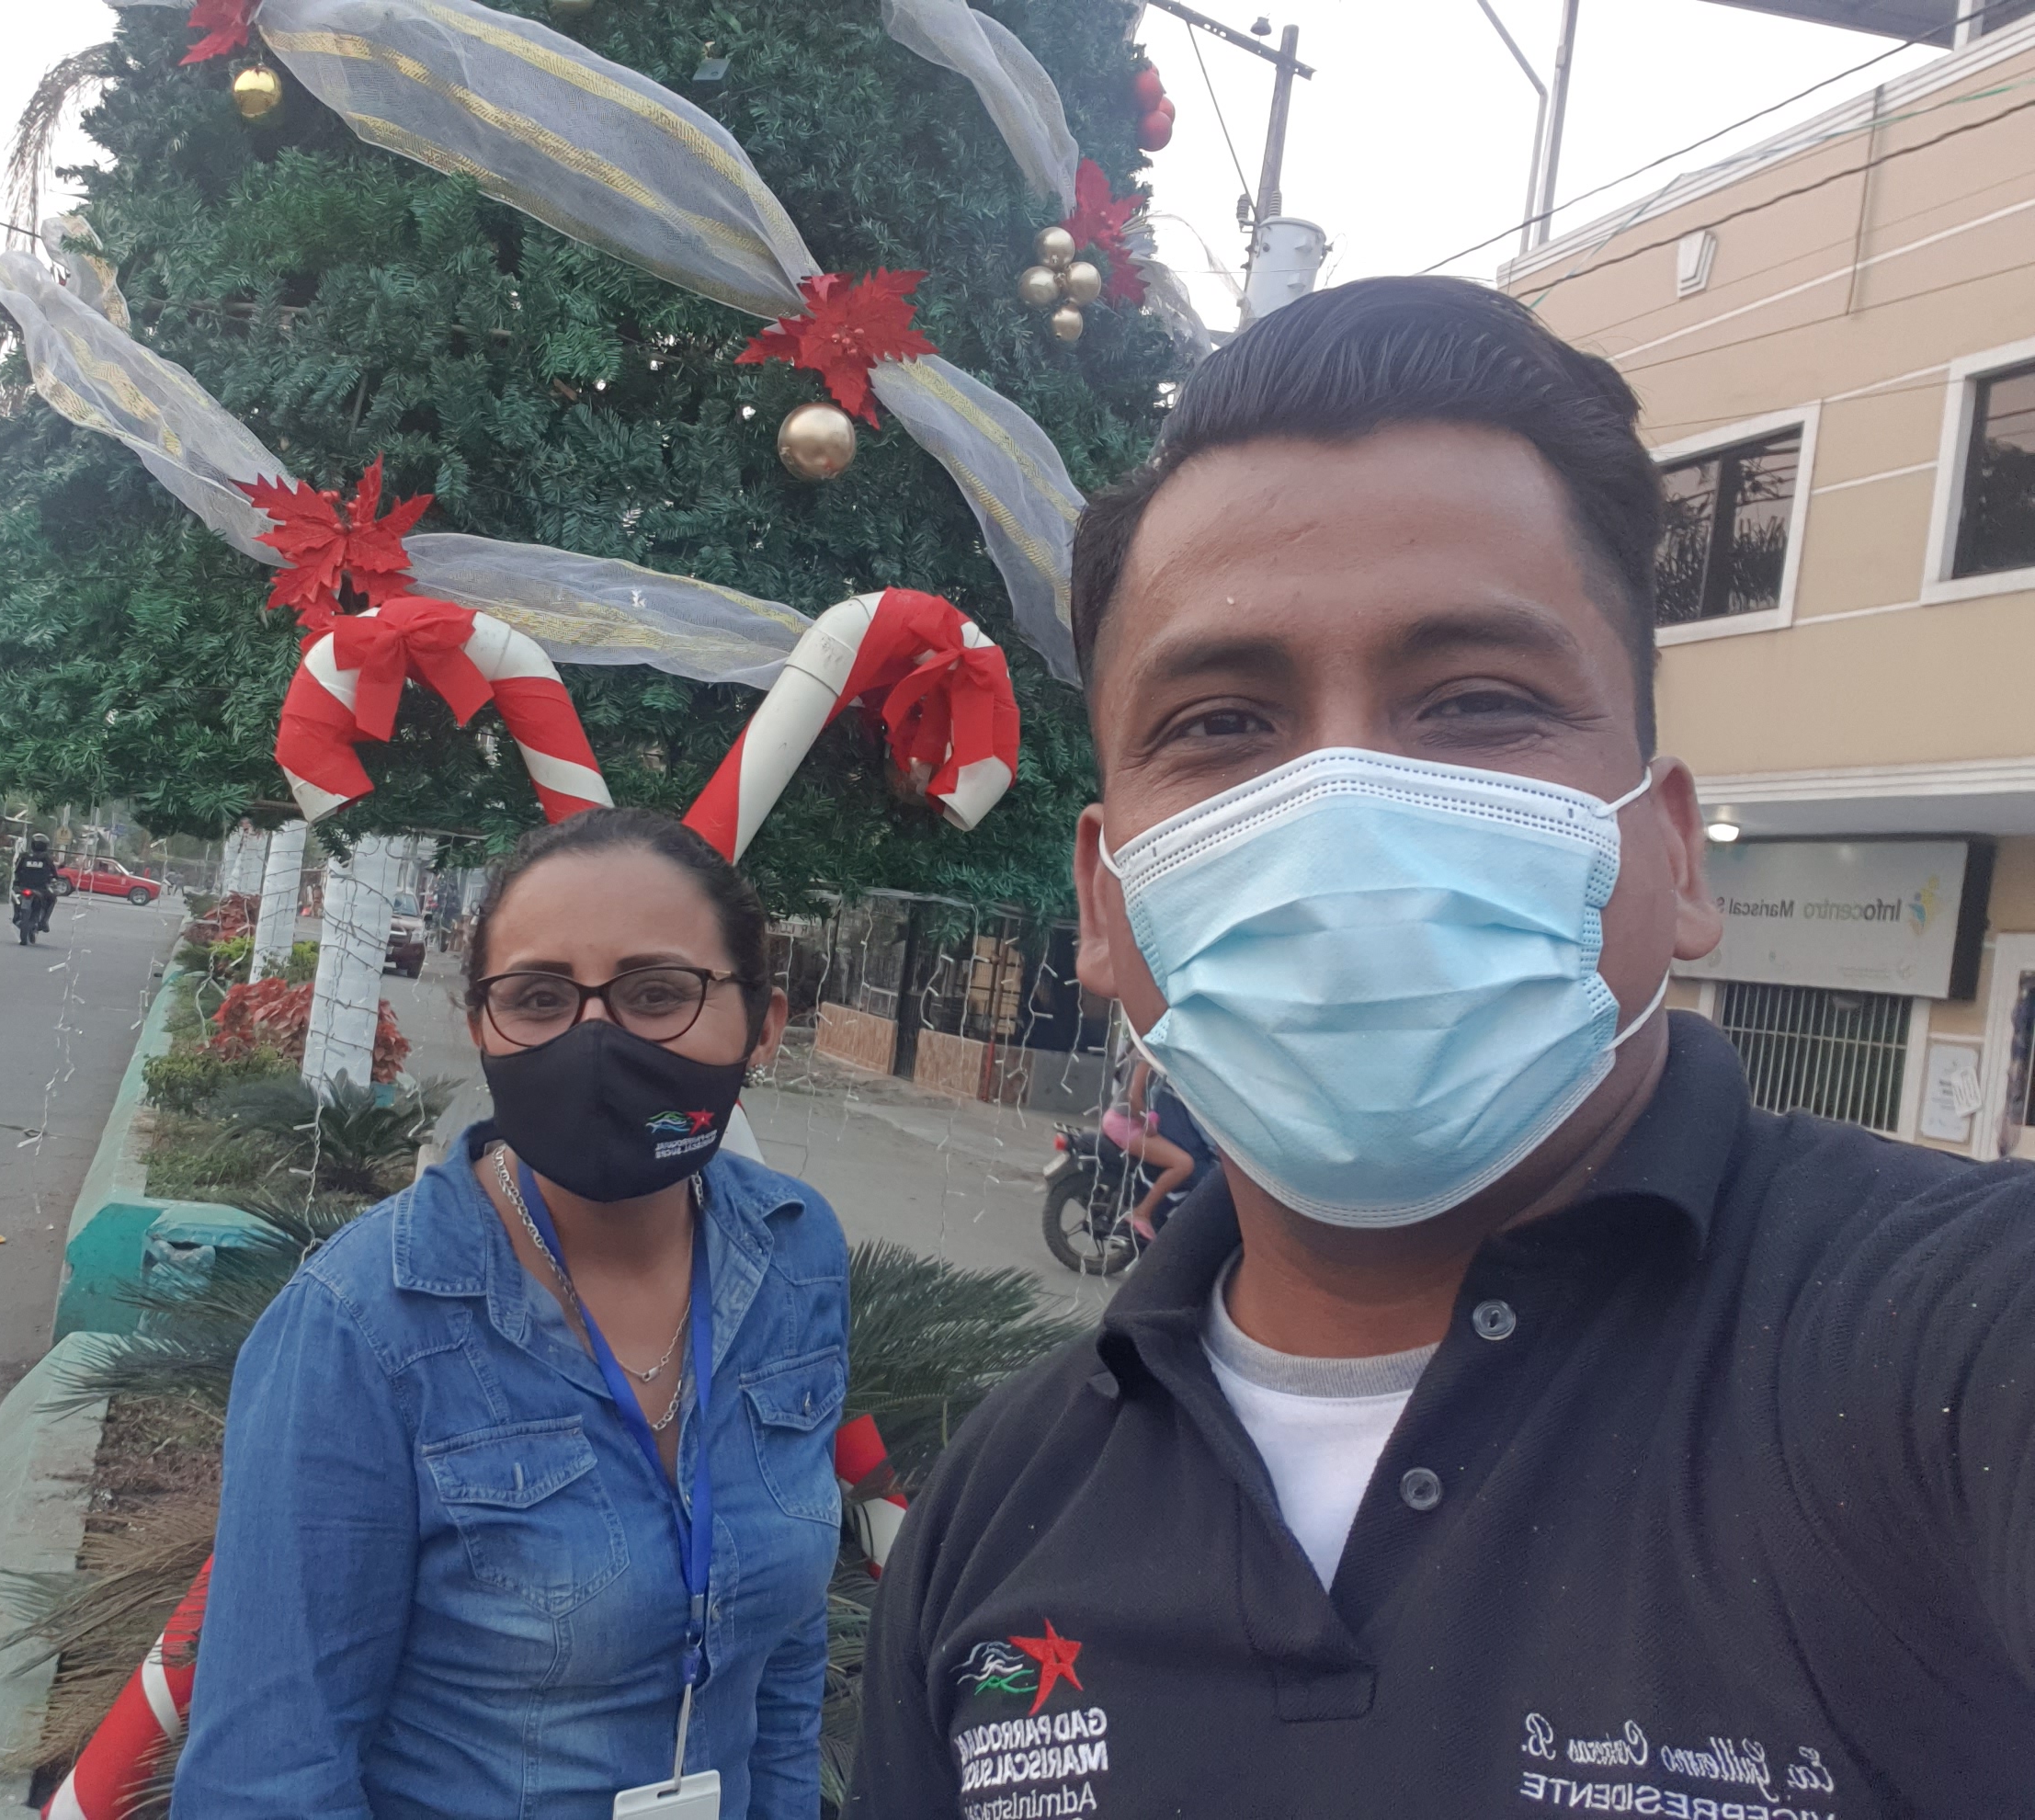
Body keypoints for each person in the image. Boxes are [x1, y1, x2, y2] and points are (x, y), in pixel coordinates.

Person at [847, 277, 2035, 1814]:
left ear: (1675, 855)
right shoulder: (1001, 1505)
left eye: (1478, 702)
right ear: (1099, 897)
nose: (1345, 808)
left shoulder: (1943, 1357)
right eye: (1221, 724)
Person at [176, 805, 849, 1820]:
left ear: (764, 1023)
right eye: (539, 998)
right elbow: (268, 1778)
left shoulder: (797, 1254)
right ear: (482, 1024)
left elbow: (786, 1668)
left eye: (657, 993)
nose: (595, 1040)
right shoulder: (364, 1325)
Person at [1098, 1055, 1194, 1241]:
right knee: (1184, 1164)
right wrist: (1147, 1121)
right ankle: (1142, 1212)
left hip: (1122, 1119)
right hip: (1125, 1124)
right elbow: (1133, 1097)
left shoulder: (1138, 1051)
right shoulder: (1146, 1055)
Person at [10, 833, 59, 935]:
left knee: (15, 898)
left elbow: (16, 870)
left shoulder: (24, 856)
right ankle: (44, 921)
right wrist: (55, 878)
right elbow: (54, 873)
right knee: (52, 898)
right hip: (41, 889)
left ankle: (16, 914)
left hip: (22, 887)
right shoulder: (46, 858)